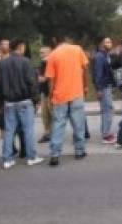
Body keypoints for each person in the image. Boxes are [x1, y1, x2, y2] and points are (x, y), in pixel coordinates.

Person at [0, 39, 42, 169]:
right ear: (21, 47)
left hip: (8, 102)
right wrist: (37, 100)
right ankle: (31, 157)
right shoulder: (25, 62)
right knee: (28, 130)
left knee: (9, 131)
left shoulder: (2, 64)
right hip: (25, 100)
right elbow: (32, 82)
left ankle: (7, 159)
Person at [44, 35, 89, 166]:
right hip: (76, 93)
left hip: (60, 96)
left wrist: (50, 96)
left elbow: (51, 80)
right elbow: (85, 70)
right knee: (78, 123)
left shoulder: (53, 55)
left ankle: (55, 154)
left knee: (58, 124)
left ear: (55, 41)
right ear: (67, 40)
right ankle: (79, 151)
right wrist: (85, 86)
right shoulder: (77, 49)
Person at [92, 36, 116, 144]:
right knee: (107, 110)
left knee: (108, 109)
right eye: (107, 42)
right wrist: (99, 89)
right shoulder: (99, 57)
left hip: (107, 86)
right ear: (102, 44)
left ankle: (106, 132)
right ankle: (106, 135)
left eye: (110, 41)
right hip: (104, 87)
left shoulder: (105, 55)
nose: (110, 43)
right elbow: (98, 74)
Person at [37, 45, 53, 144]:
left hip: (49, 93)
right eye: (40, 52)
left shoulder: (47, 62)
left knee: (50, 114)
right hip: (44, 92)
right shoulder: (43, 62)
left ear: (49, 52)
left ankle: (50, 133)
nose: (41, 54)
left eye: (43, 52)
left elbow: (47, 77)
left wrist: (37, 77)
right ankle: (48, 133)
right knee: (45, 115)